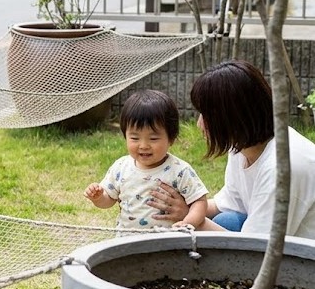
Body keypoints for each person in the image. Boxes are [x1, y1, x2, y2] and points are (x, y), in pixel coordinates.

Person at [149, 60, 315, 238]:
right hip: (277, 247)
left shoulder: (281, 168)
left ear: (231, 117)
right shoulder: (242, 146)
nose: (199, 124)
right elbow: (229, 203)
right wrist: (187, 208)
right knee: (227, 219)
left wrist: (190, 221)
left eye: (206, 115)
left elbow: (256, 249)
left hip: (303, 260)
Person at [85, 90, 209, 230]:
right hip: (127, 242)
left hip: (169, 243)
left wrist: (188, 222)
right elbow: (109, 200)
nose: (143, 146)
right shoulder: (121, 167)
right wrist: (98, 197)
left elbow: (199, 201)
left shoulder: (179, 170)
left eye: (153, 139)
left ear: (171, 139)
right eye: (135, 138)